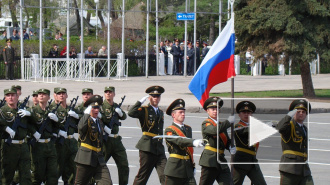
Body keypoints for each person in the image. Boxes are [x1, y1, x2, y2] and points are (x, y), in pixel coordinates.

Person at [128, 85, 167, 185]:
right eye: (153, 96)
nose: (156, 98)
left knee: (166, 175)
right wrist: (139, 102)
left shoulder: (161, 112)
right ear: (149, 97)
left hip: (159, 148)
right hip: (147, 147)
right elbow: (131, 113)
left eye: (158, 96)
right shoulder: (144, 110)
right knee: (143, 176)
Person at [0, 88, 38, 185]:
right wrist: (5, 128)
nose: (11, 97)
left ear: (17, 97)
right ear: (5, 98)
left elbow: (33, 123)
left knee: (26, 176)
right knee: (7, 175)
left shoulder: (22, 111)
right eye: (8, 95)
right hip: (9, 147)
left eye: (13, 95)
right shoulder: (2, 111)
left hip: (23, 147)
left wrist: (30, 114)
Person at [164, 98, 205, 185]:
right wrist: (193, 142)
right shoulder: (169, 130)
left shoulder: (188, 128)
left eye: (184, 112)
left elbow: (188, 149)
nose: (183, 114)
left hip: (187, 169)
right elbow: (179, 140)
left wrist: (192, 166)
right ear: (173, 115)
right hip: (175, 169)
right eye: (180, 112)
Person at [74, 95, 113, 184]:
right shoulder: (85, 120)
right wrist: (86, 114)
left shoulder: (99, 121)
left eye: (98, 107)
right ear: (89, 109)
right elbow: (80, 128)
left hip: (99, 159)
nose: (96, 110)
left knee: (107, 182)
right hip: (86, 159)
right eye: (94, 108)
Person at [199, 97, 236, 185]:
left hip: (221, 161)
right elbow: (214, 130)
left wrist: (230, 146)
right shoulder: (206, 123)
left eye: (217, 109)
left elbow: (226, 140)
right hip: (210, 161)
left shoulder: (221, 125)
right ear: (207, 111)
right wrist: (228, 122)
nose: (215, 111)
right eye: (212, 109)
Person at [276, 99, 313, 185]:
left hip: (304, 170)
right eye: (298, 111)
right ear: (293, 113)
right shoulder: (289, 126)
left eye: (303, 112)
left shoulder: (304, 129)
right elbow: (280, 128)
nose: (301, 113)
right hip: (290, 169)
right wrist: (288, 116)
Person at [29, 88, 59, 185]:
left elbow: (57, 127)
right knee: (37, 174)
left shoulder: (51, 111)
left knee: (53, 174)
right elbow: (27, 124)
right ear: (37, 97)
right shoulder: (32, 110)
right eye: (40, 94)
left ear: (49, 97)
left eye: (44, 94)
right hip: (38, 146)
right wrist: (34, 132)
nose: (41, 96)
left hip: (50, 145)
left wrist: (56, 120)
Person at [50, 87, 80, 185]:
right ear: (56, 96)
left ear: (67, 95)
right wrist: (58, 131)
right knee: (58, 168)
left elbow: (82, 120)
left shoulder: (71, 109)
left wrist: (77, 116)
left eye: (63, 93)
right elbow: (48, 125)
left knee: (75, 167)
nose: (61, 95)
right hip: (60, 142)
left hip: (71, 142)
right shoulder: (53, 109)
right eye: (59, 94)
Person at [233, 101, 267, 185]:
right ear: (239, 115)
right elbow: (245, 131)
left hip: (252, 161)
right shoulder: (238, 126)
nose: (246, 114)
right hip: (241, 161)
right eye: (243, 112)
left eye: (248, 112)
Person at [101, 86, 129, 185]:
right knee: (99, 165)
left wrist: (120, 113)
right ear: (104, 94)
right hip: (106, 141)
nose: (108, 94)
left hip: (116, 140)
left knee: (124, 165)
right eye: (106, 92)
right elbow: (97, 120)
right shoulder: (101, 107)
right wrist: (104, 127)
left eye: (110, 92)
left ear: (114, 94)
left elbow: (124, 117)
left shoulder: (116, 106)